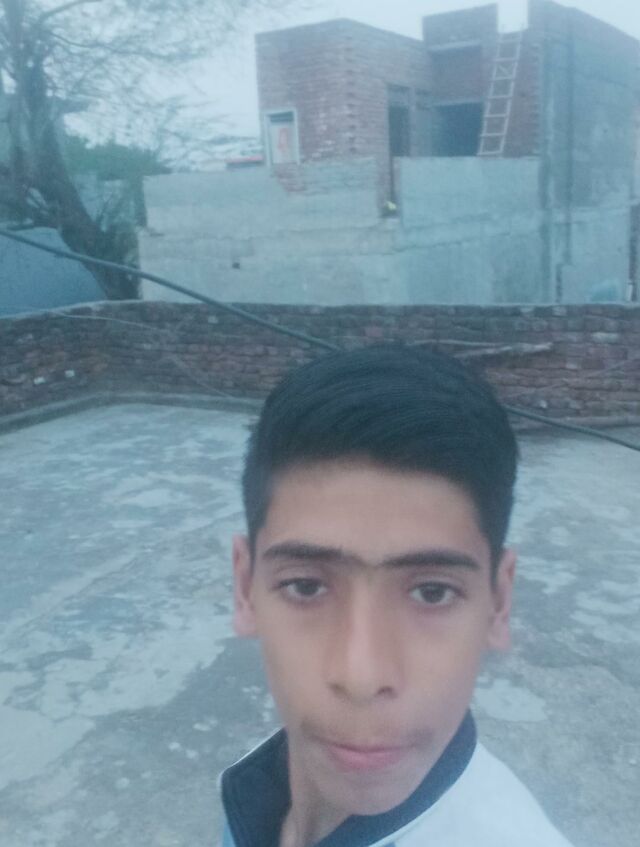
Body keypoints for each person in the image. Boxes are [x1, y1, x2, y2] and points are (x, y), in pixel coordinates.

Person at [219, 344, 573, 847]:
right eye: (306, 586)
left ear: (498, 603)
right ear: (245, 588)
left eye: (432, 592)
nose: (362, 678)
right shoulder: (254, 786)